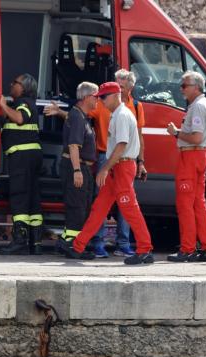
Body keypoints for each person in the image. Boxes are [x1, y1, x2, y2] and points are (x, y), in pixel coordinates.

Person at [46, 70, 148, 258]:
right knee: (99, 207)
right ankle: (78, 245)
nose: (101, 101)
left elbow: (122, 144)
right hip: (117, 166)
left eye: (104, 98)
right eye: (99, 97)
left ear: (115, 96)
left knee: (129, 208)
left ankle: (144, 249)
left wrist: (106, 168)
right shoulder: (117, 113)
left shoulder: (122, 115)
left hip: (122, 167)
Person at [166, 71, 206, 262]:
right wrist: (205, 143)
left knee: (185, 204)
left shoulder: (197, 106)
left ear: (195, 87)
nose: (181, 89)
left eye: (184, 85)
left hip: (190, 156)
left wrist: (176, 133)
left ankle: (187, 249)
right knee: (199, 203)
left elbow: (196, 136)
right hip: (201, 154)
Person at [0, 73, 44, 255]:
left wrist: (2, 105)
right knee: (32, 198)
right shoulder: (26, 102)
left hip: (22, 156)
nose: (11, 85)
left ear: (24, 88)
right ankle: (36, 242)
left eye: (15, 83)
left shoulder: (23, 103)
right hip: (29, 156)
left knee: (19, 196)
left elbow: (19, 118)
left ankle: (19, 240)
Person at [55, 82, 99, 252]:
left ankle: (67, 242)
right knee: (77, 209)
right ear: (87, 97)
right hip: (76, 167)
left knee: (82, 207)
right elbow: (74, 146)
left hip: (82, 167)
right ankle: (73, 246)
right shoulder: (78, 117)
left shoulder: (80, 115)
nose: (98, 100)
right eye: (96, 97)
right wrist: (77, 171)